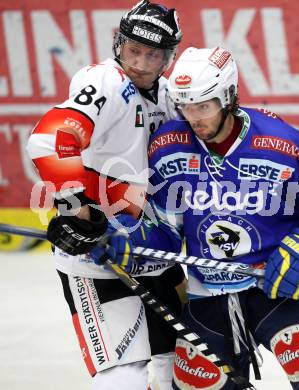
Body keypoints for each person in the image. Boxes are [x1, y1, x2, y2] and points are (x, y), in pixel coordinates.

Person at [130, 47, 299, 389]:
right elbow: (165, 230)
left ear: (229, 98)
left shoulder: (279, 143)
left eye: (204, 106)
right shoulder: (168, 148)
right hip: (206, 294)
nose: (194, 118)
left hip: (279, 286)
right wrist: (131, 243)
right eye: (186, 107)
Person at [26, 1, 185, 389]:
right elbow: (51, 141)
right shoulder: (105, 83)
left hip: (153, 252)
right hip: (100, 258)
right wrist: (75, 208)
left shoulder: (167, 95)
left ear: (168, 57)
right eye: (135, 50)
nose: (142, 63)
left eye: (153, 54)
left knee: (173, 367)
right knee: (123, 377)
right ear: (119, 44)